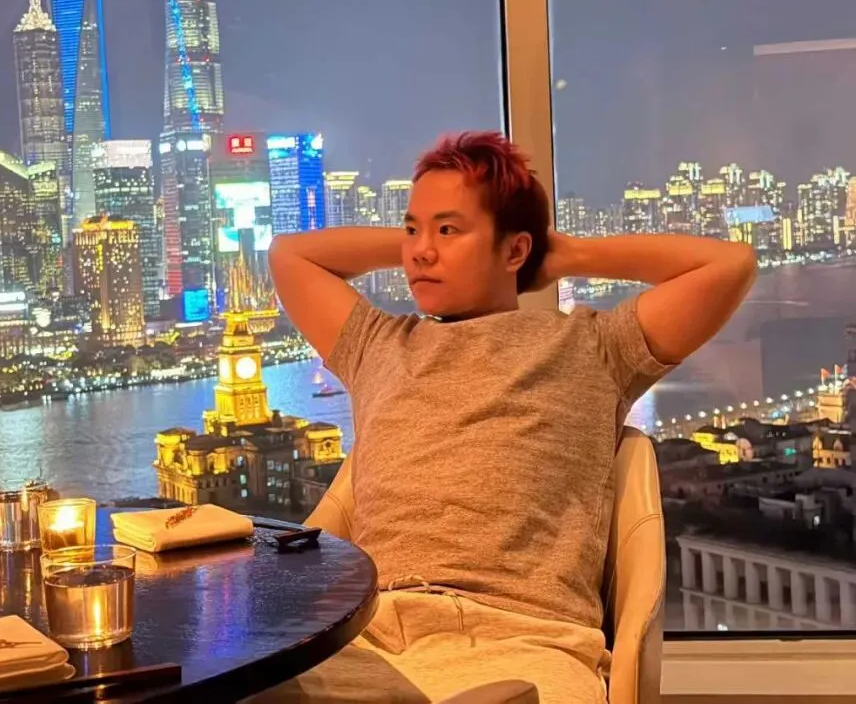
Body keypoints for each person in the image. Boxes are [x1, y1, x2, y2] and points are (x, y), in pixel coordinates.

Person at [252, 131, 757, 704]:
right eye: (412, 230)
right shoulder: (379, 345)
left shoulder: (593, 347)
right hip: (369, 638)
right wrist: (428, 240)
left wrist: (566, 254)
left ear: (516, 251)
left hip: (524, 642)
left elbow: (730, 264)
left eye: (448, 230)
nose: (420, 251)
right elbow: (289, 255)